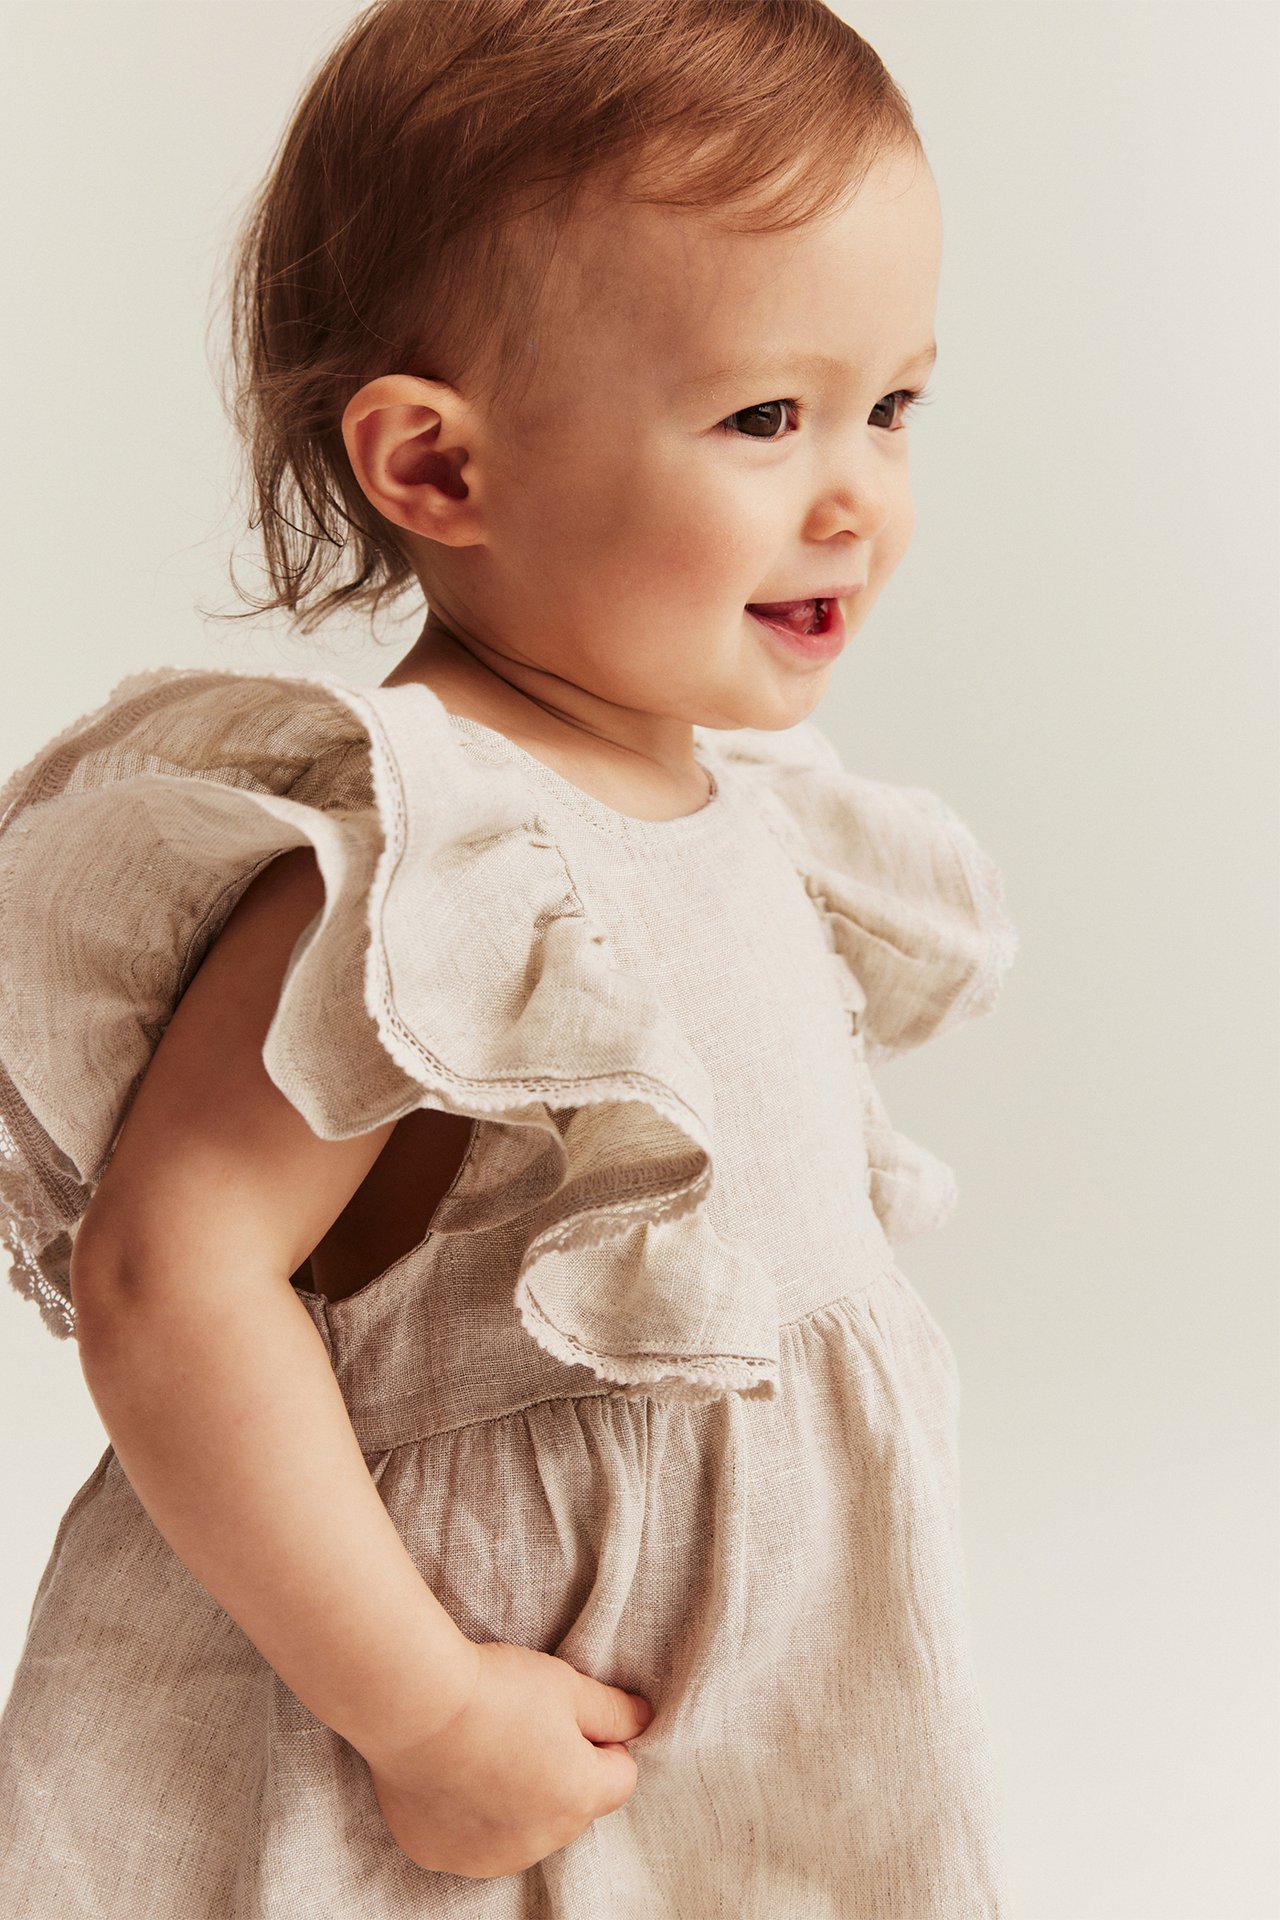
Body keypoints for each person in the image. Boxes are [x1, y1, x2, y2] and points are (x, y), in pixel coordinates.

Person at [0, 0, 1019, 1912]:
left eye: (892, 408)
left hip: (732, 1724)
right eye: (764, 418)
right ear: (440, 470)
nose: (856, 497)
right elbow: (169, 1279)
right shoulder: (428, 867)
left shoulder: (741, 810)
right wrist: (422, 1713)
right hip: (453, 1751)